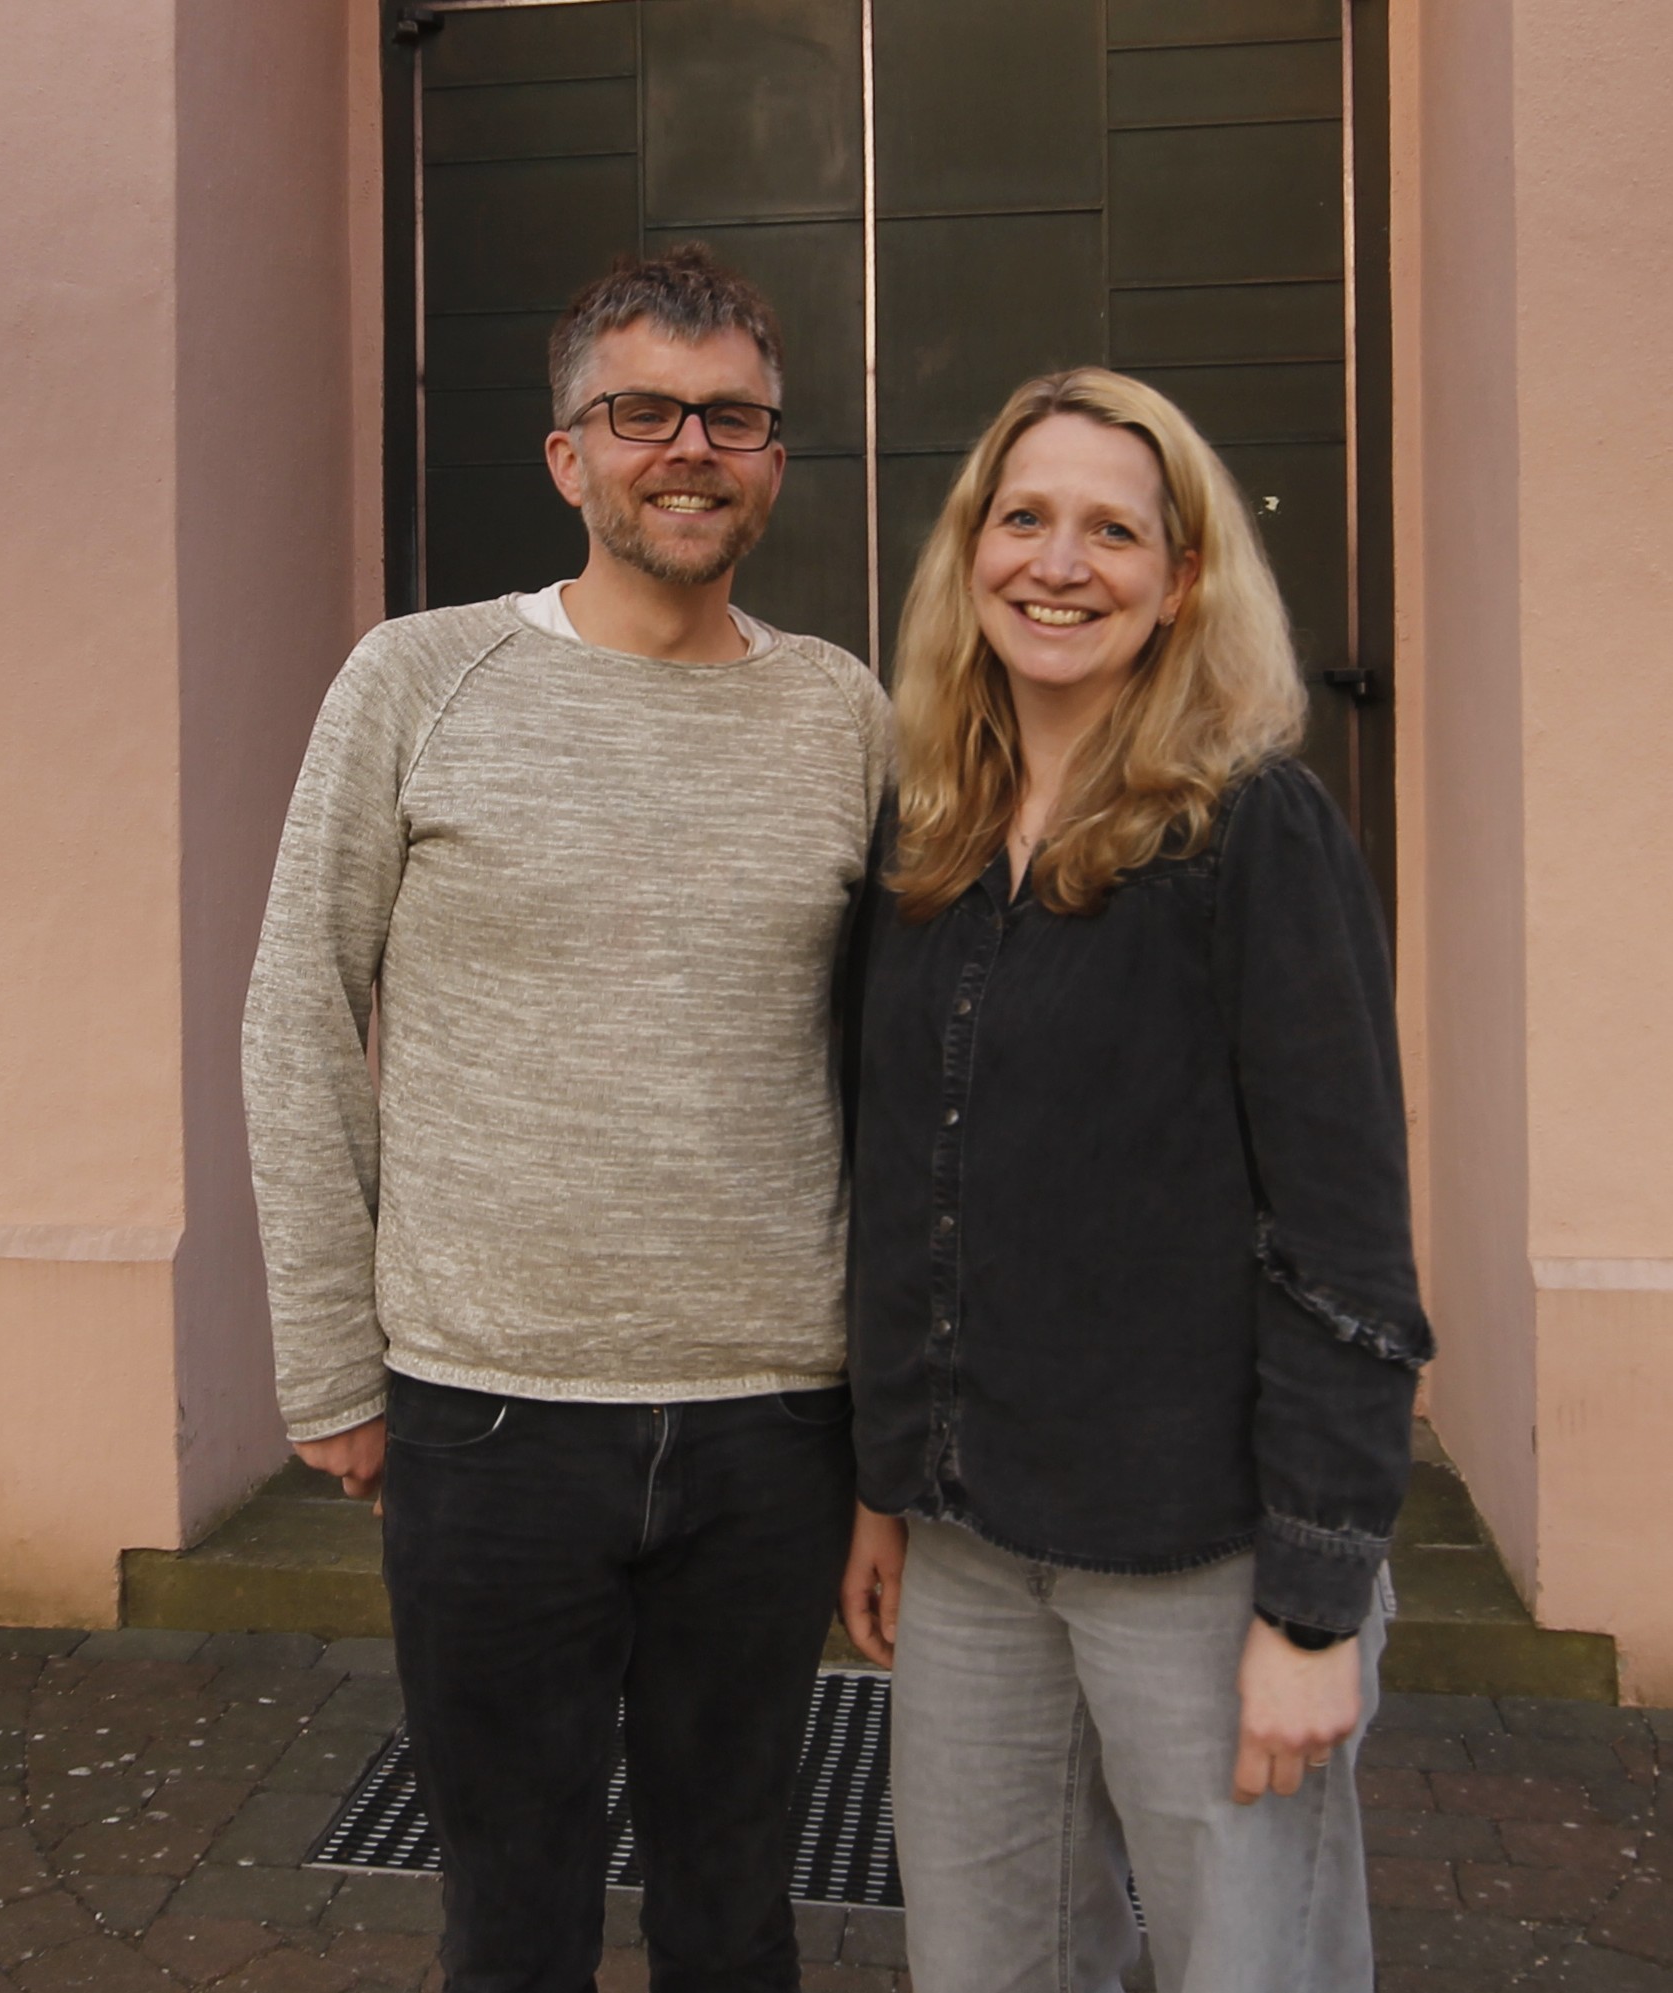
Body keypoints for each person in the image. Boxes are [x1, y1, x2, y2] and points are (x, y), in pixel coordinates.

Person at [243, 244, 890, 1993]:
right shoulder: (416, 678)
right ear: (566, 454)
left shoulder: (843, 711)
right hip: (489, 1414)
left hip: (772, 1421)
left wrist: (895, 1419)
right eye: (640, 412)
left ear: (771, 453)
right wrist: (329, 1364)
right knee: (510, 1912)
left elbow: (903, 1070)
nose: (688, 447)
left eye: (731, 417)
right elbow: (299, 1005)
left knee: (734, 1901)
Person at [838, 367, 1430, 1993]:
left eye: (1114, 530)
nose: (1058, 561)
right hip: (967, 1548)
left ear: (1180, 581)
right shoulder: (927, 839)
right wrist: (886, 1482)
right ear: (969, 558)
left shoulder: (1252, 835)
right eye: (1022, 518)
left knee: (1256, 1968)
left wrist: (1312, 1607)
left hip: (1199, 1557)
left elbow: (1344, 1237)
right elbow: (899, 1187)